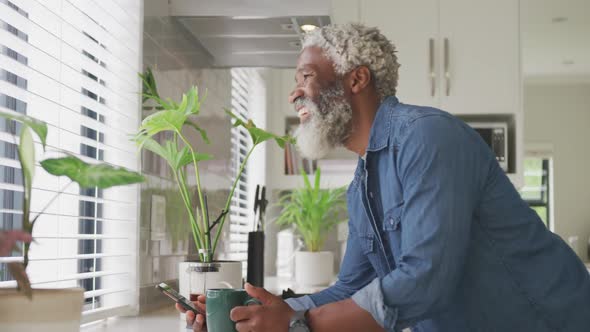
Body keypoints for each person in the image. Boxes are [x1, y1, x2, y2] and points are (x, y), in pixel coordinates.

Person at [177, 23, 590, 332]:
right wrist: (257, 312)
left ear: (357, 79)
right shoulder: (362, 183)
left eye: (305, 76)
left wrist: (296, 323)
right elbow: (350, 289)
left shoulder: (427, 137)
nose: (294, 92)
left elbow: (425, 280)